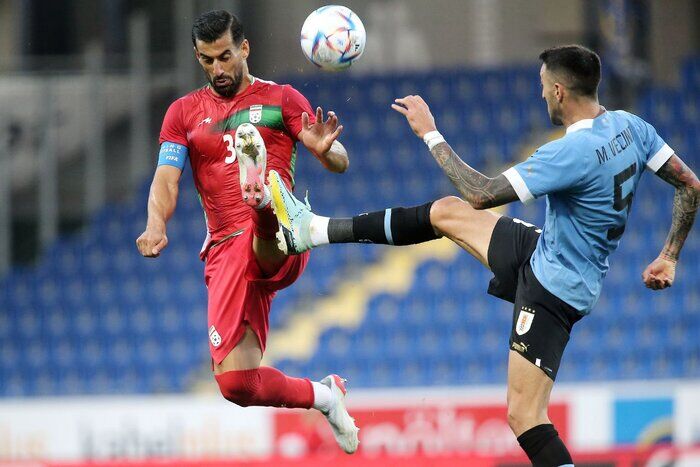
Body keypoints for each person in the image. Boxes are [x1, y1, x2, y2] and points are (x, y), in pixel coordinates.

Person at [268, 44, 700, 466]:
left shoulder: (570, 153)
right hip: (547, 251)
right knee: (444, 212)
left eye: (542, 85)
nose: (541, 93)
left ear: (559, 92)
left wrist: (430, 134)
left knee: (524, 416)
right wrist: (670, 256)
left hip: (555, 288)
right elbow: (690, 185)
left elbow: (481, 193)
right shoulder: (632, 127)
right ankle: (313, 230)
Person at [135, 10, 359, 454]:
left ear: (245, 49)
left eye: (224, 57)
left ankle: (261, 201)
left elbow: (339, 161)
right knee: (238, 384)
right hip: (224, 250)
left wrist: (324, 150)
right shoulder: (183, 114)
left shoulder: (281, 99)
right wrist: (155, 225)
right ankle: (326, 397)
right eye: (206, 61)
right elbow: (166, 177)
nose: (217, 69)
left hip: (283, 236)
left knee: (263, 217)